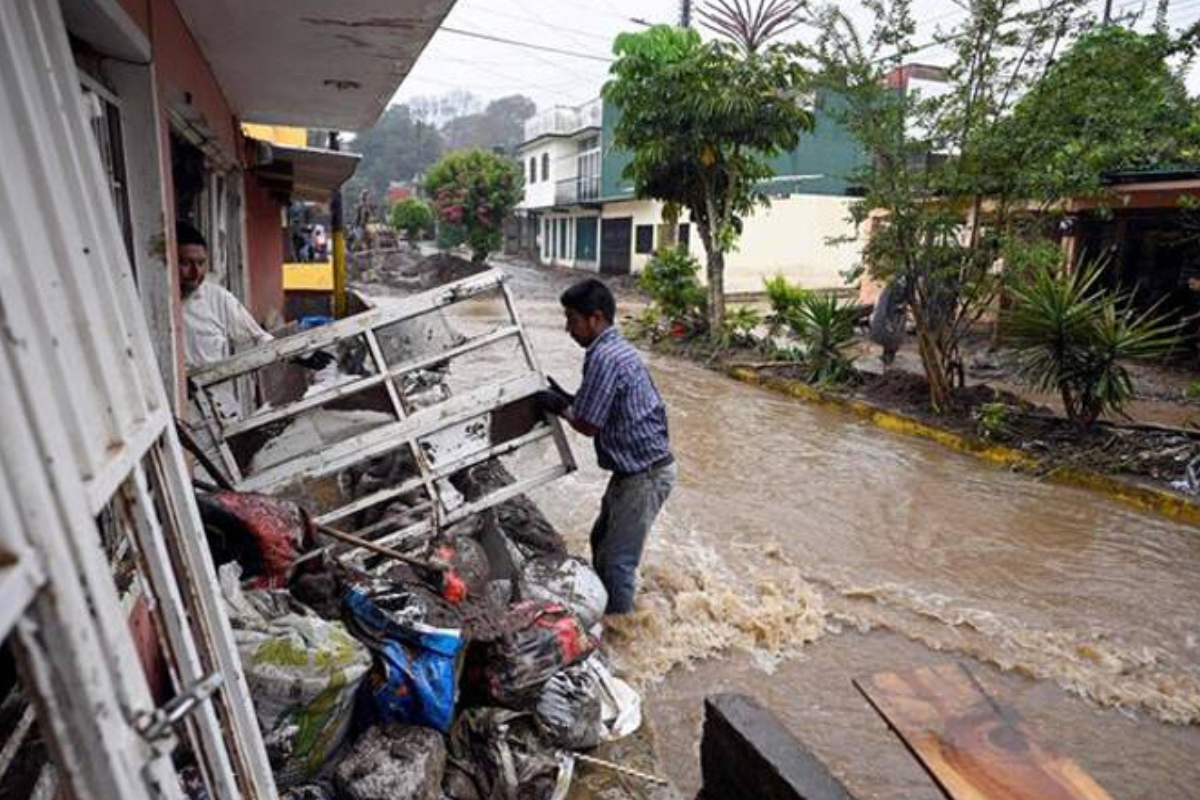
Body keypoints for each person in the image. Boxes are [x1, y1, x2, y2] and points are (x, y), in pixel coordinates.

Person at [537, 279, 676, 614]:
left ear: (595, 318)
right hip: (637, 470)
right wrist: (568, 400)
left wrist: (558, 406)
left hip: (644, 474)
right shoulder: (613, 350)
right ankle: (612, 610)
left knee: (617, 563)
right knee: (601, 541)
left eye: (572, 319)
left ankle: (624, 632)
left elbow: (587, 424)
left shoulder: (603, 358)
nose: (568, 329)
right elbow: (596, 409)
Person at [177, 221, 274, 421]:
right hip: (174, 417)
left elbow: (258, 338)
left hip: (219, 413)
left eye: (201, 263)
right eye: (185, 263)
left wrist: (298, 357)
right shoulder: (149, 304)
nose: (196, 273)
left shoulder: (217, 298)